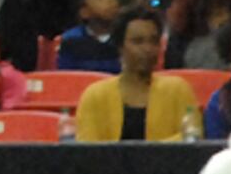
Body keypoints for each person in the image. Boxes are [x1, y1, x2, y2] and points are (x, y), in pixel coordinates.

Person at [74, 13, 202, 141]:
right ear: (120, 47)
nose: (148, 49)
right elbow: (88, 148)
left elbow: (192, 135)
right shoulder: (95, 96)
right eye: (138, 41)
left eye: (154, 41)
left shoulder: (178, 89)